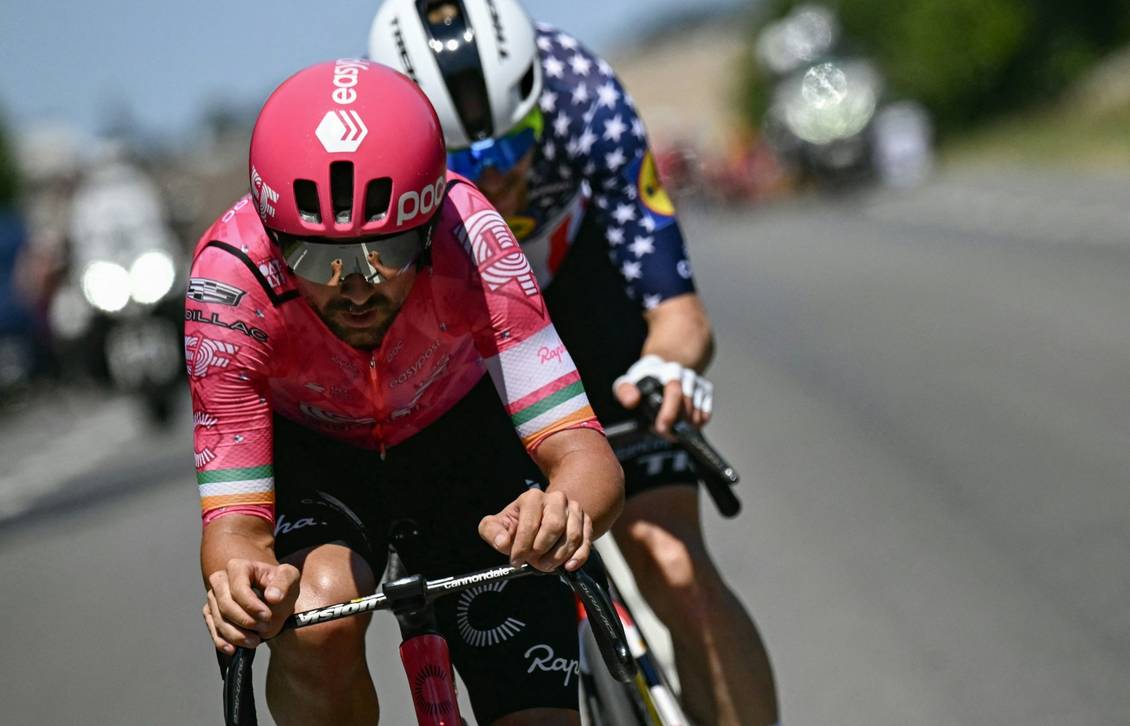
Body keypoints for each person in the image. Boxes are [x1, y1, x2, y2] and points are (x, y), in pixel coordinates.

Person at [369, 2, 779, 724]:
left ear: (541, 110)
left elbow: (681, 316)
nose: (493, 180)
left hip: (584, 301)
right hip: (468, 348)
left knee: (672, 561)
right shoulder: (379, 149)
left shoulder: (584, 99)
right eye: (465, 163)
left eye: (513, 147)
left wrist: (663, 367)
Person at [189, 59, 624, 725]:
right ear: (275, 242)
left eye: (385, 253)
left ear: (427, 229)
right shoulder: (228, 283)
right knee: (317, 615)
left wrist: (562, 511)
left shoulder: (472, 238)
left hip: (463, 446)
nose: (354, 285)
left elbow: (585, 456)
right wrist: (245, 584)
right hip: (322, 461)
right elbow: (236, 529)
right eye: (316, 257)